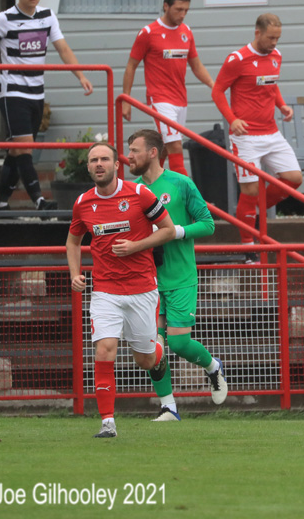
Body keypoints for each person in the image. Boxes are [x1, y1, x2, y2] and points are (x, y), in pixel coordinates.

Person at [65, 142, 176, 438]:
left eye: (104, 159)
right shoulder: (82, 203)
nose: (98, 164)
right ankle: (108, 423)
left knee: (145, 361)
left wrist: (136, 246)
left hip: (142, 288)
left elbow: (168, 229)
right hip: (105, 291)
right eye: (93, 160)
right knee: (104, 350)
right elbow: (73, 241)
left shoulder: (139, 194)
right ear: (88, 167)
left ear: (117, 165)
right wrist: (75, 274)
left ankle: (158, 347)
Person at [0, 0, 94, 211]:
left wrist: (81, 76)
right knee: (25, 147)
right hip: (11, 91)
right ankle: (39, 201)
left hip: (37, 92)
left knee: (17, 150)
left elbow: (63, 48)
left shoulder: (47, 16)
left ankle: (0, 202)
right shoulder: (3, 19)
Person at [127, 129, 227, 421]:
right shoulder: (131, 190)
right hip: (145, 279)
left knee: (179, 343)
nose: (129, 156)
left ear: (153, 153)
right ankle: (168, 405)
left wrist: (173, 232)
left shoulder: (181, 184)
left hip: (180, 275)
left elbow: (208, 224)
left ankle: (212, 367)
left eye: (134, 150)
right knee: (152, 348)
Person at [212, 13, 301, 264]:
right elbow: (217, 91)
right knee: (249, 191)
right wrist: (233, 120)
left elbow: (271, 86)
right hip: (245, 136)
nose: (274, 43)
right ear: (257, 33)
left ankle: (255, 210)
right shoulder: (237, 59)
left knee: (294, 178)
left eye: (278, 38)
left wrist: (282, 106)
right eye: (271, 37)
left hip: (271, 131)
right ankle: (248, 246)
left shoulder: (277, 56)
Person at [123, 0, 214, 176]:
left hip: (180, 100)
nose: (182, 15)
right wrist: (126, 99)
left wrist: (214, 86)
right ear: (166, 6)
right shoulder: (148, 32)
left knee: (163, 148)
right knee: (176, 148)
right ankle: (189, 199)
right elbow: (131, 65)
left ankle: (149, 188)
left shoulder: (186, 32)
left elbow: (196, 66)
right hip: (160, 98)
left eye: (186, 11)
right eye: (178, 9)